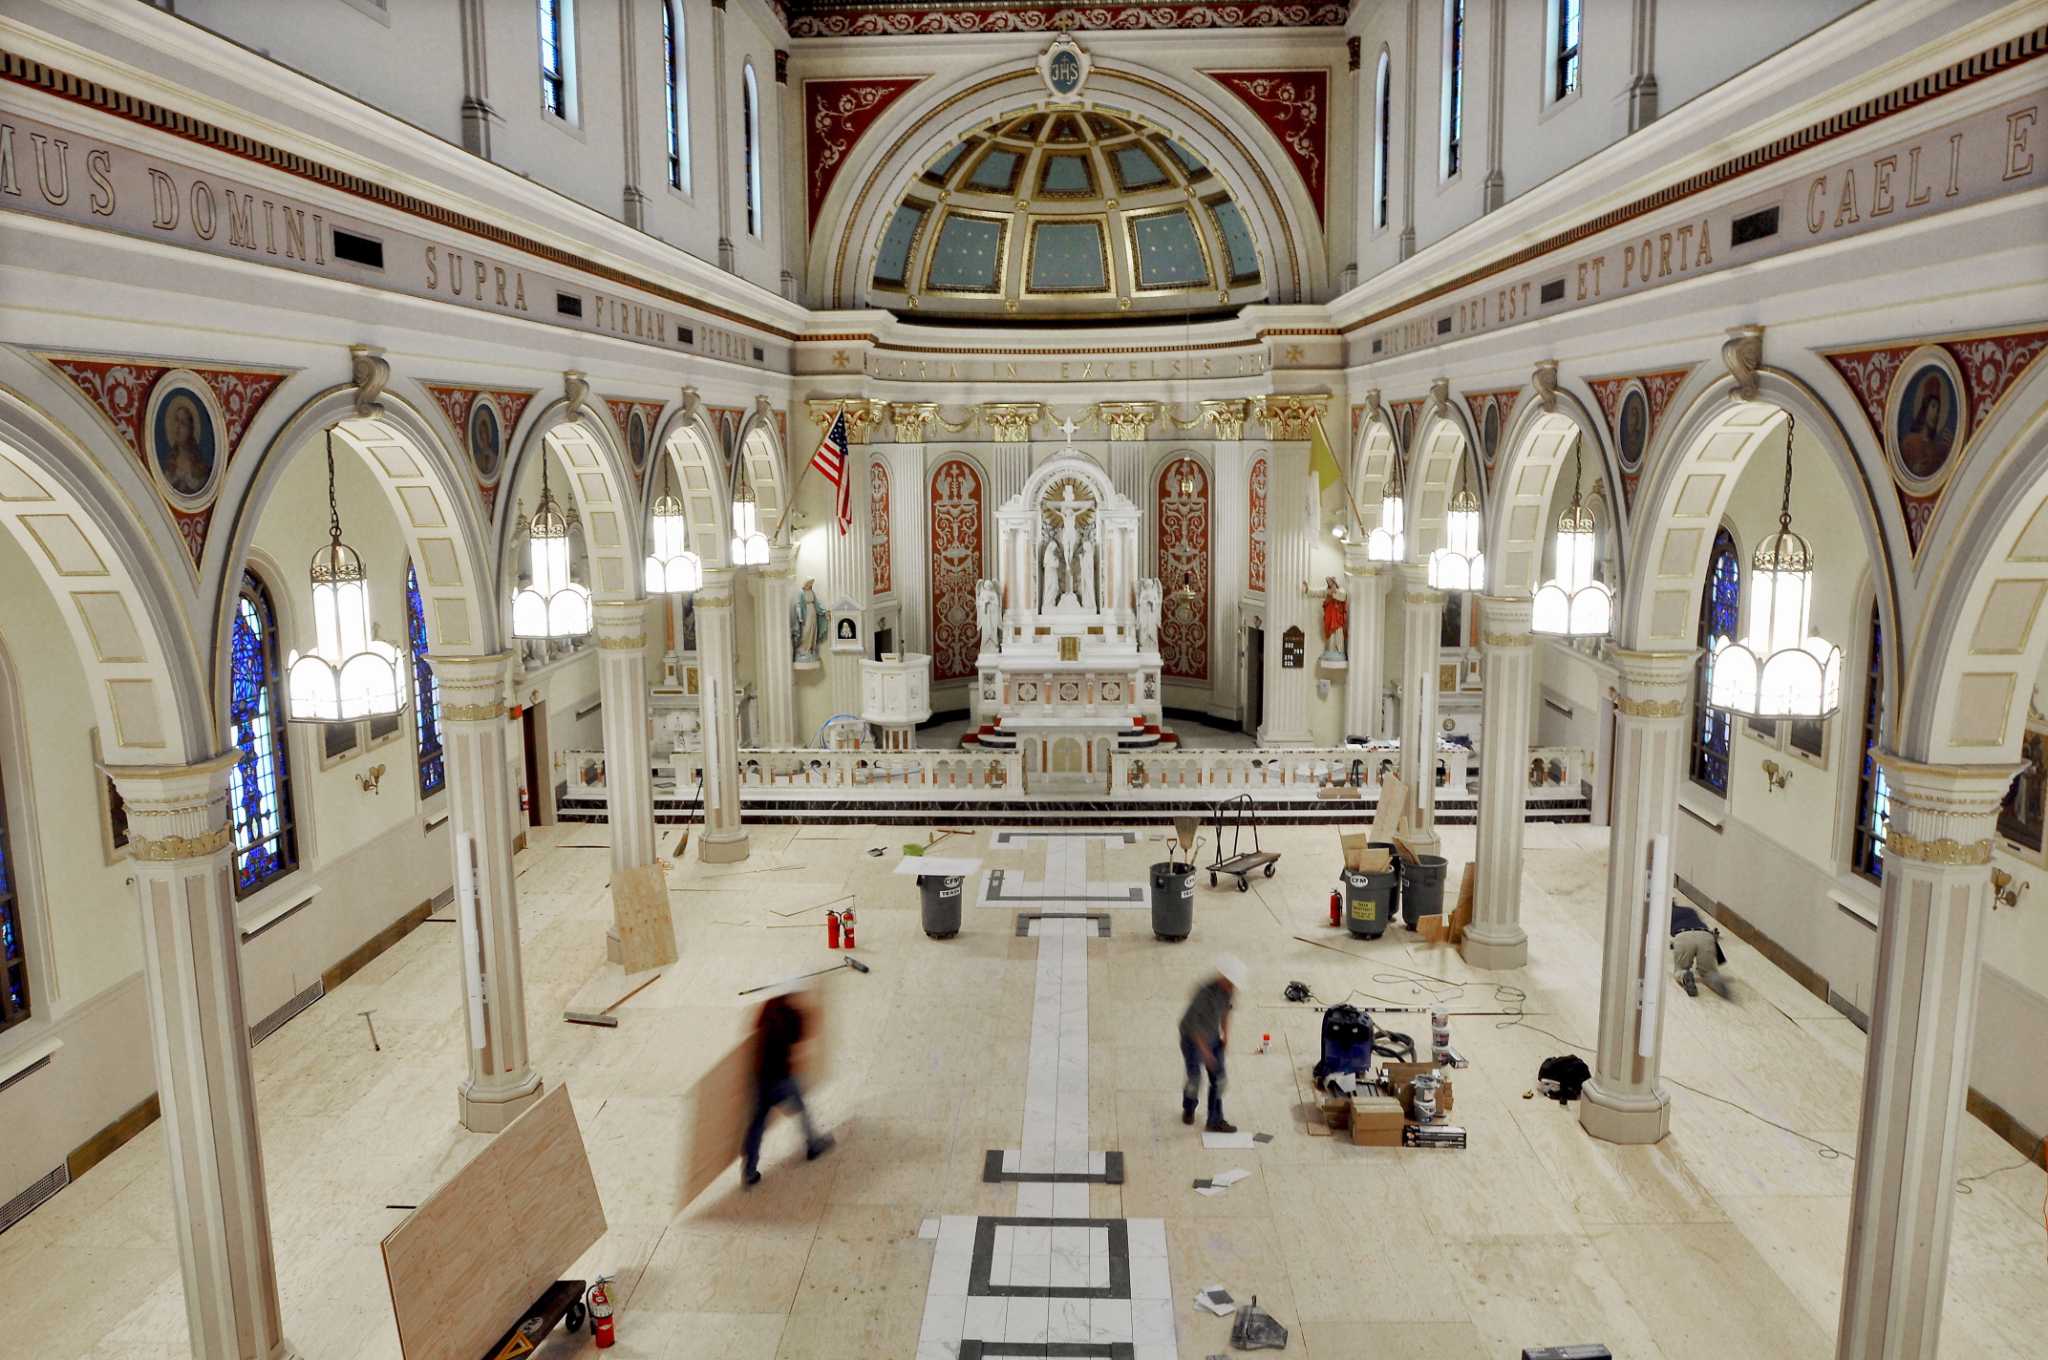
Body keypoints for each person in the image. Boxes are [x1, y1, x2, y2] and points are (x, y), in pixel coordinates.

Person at [741, 987, 833, 1186]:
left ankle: (749, 1171)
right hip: (781, 1078)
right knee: (802, 1109)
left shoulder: (768, 1007)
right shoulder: (788, 1013)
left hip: (760, 1078)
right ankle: (813, 1145)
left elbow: (756, 1029)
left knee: (756, 1125)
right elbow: (798, 1036)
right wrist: (810, 1013)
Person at [1180, 955, 1246, 1133]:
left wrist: (1225, 1035)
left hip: (1212, 1036)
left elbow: (1226, 1011)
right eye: (1230, 983)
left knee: (1219, 1080)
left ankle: (1215, 1120)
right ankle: (1189, 1107)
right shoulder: (1203, 993)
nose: (1232, 987)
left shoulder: (1229, 991)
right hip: (1192, 1039)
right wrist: (1205, 1052)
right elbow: (1193, 1026)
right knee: (1195, 1079)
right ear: (1223, 978)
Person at [1670, 901, 1729, 998]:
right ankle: (1715, 980)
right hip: (1705, 935)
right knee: (1708, 971)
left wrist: (1674, 945)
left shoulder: (1665, 914)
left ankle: (1684, 975)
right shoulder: (1690, 910)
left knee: (1680, 969)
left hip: (1683, 936)